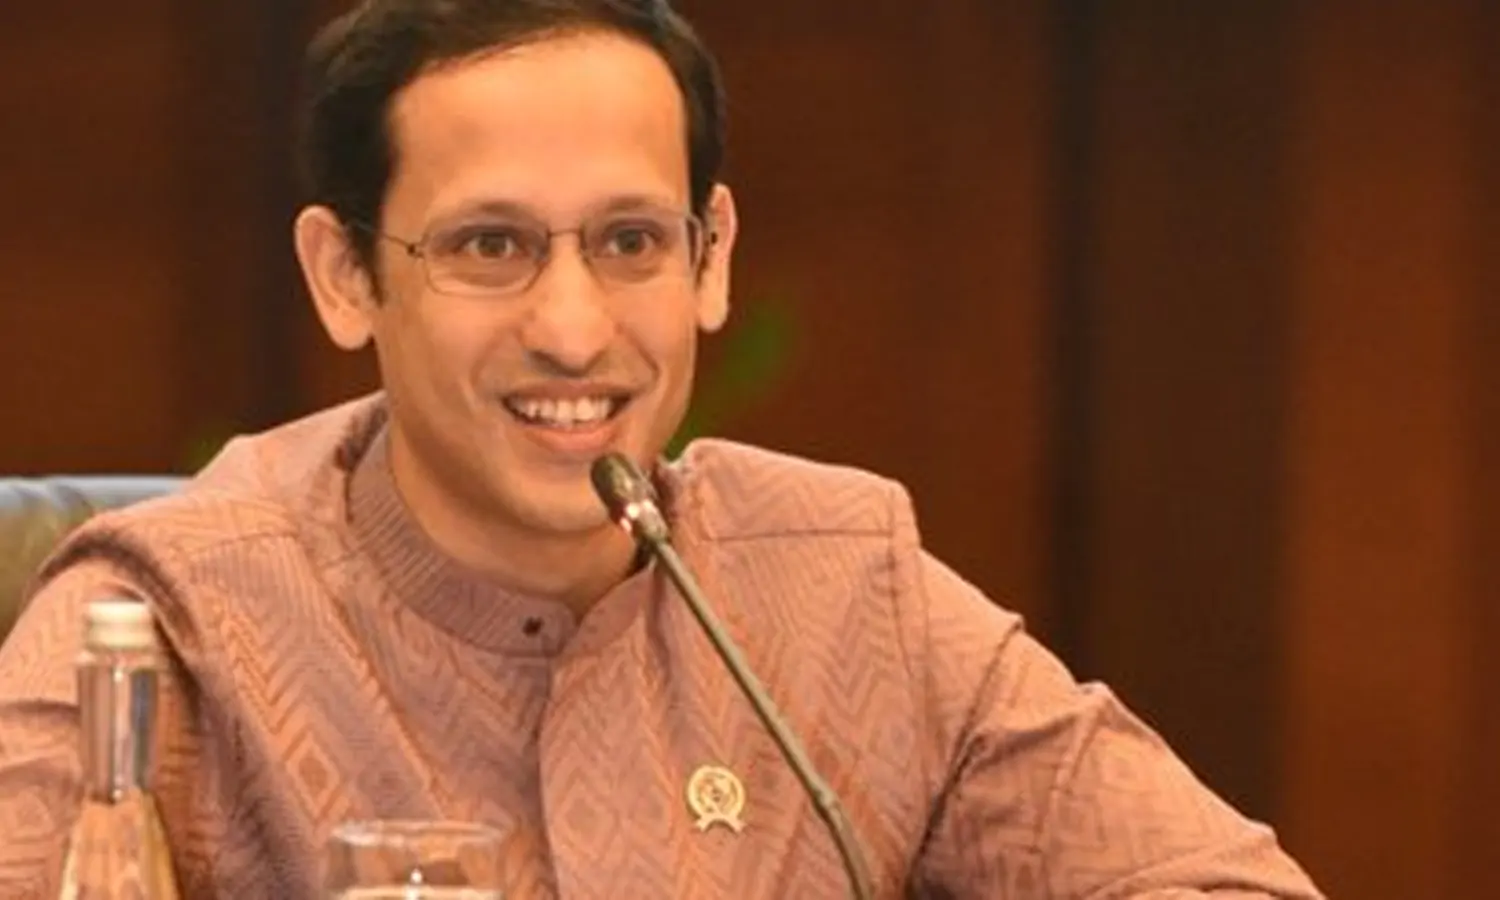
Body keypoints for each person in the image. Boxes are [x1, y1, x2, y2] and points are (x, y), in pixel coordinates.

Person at [0, 1, 1324, 897]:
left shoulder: (840, 590)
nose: (575, 330)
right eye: (490, 246)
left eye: (631, 242)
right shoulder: (161, 628)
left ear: (711, 256)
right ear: (345, 275)